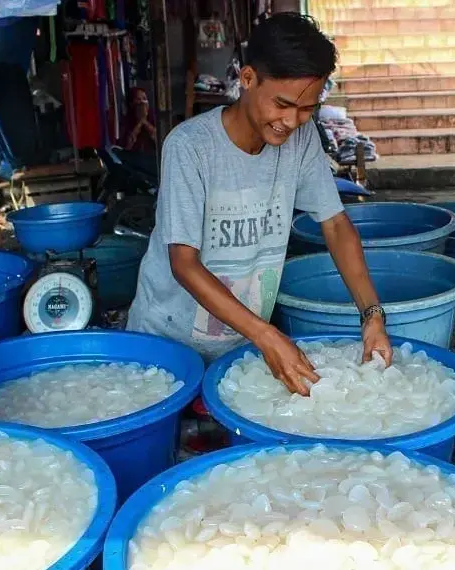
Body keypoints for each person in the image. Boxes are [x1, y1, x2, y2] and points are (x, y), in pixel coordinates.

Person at [126, 13, 392, 395]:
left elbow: (335, 225)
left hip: (241, 344)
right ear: (248, 80)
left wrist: (372, 315)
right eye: (282, 104)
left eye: (306, 109)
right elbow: (183, 263)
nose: (292, 121)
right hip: (165, 346)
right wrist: (267, 336)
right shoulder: (190, 147)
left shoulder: (301, 141)